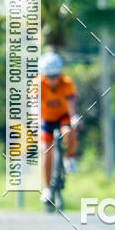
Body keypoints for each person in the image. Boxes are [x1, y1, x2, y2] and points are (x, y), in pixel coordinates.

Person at [34, 51, 79, 205]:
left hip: (63, 117)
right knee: (45, 150)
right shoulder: (37, 84)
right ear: (44, 75)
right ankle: (47, 188)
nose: (53, 80)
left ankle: (70, 157)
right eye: (49, 77)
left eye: (55, 76)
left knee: (70, 131)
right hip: (46, 119)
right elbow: (34, 107)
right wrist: (34, 122)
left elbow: (72, 108)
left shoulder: (66, 83)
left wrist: (74, 118)